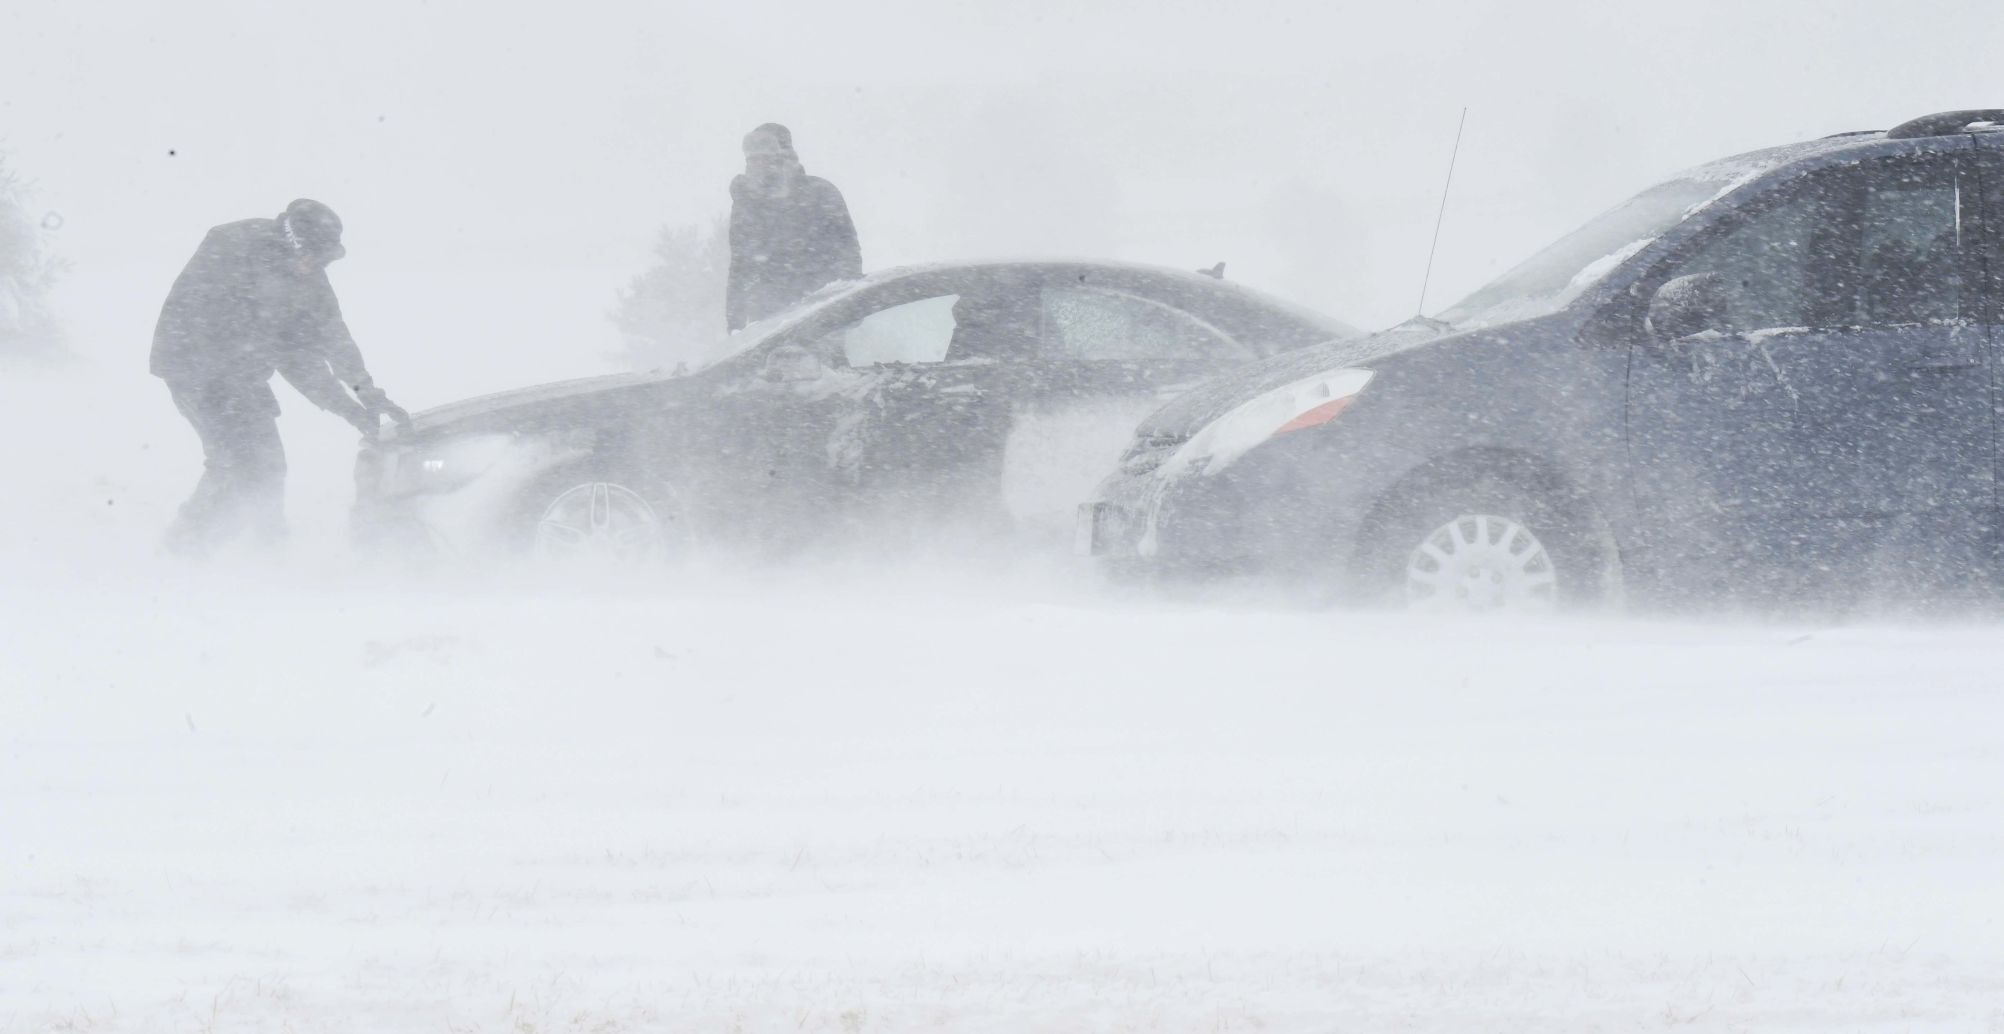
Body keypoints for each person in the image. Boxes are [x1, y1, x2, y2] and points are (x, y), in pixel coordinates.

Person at [150, 198, 409, 555]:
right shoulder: (234, 247)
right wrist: (340, 403)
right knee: (234, 461)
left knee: (268, 463)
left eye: (322, 261)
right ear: (293, 243)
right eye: (311, 258)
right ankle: (187, 545)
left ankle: (267, 550)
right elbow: (289, 353)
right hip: (193, 366)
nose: (314, 267)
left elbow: (331, 336)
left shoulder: (308, 275)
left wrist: (366, 396)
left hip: (244, 375)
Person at [726, 123, 862, 331]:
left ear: (786, 154)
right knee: (771, 363)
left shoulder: (821, 193)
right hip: (767, 318)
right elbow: (739, 267)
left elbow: (848, 253)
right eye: (753, 158)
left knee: (823, 363)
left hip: (821, 310)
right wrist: (735, 326)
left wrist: (850, 305)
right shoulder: (747, 202)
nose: (760, 164)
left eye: (767, 155)